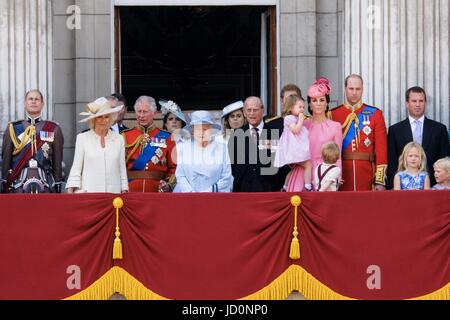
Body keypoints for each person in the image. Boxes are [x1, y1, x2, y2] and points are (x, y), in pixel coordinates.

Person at [331, 74, 388, 191]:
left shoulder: (375, 114)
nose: (354, 92)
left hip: (367, 173)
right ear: (345, 89)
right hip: (342, 174)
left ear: (362, 90)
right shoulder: (333, 114)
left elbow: (381, 149)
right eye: (351, 89)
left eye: (358, 89)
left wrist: (379, 180)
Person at [285, 78, 343, 191]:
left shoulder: (335, 126)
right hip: (302, 173)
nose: (318, 104)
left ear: (327, 104)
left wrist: (337, 176)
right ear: (310, 105)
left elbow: (338, 156)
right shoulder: (302, 125)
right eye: (314, 100)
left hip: (325, 174)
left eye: (322, 100)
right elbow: (291, 148)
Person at [1, 89, 64, 193]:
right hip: (18, 183)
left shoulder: (53, 128)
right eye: (30, 99)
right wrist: (4, 181)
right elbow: (6, 158)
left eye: (37, 99)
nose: (33, 101)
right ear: (25, 103)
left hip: (45, 183)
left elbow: (57, 160)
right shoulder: (13, 128)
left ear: (42, 104)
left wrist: (57, 183)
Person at [387, 86, 450, 188]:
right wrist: (392, 186)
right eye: (414, 101)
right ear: (407, 103)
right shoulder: (395, 130)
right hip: (403, 188)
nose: (417, 104)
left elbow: (445, 160)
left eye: (421, 101)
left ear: (425, 103)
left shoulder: (439, 129)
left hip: (435, 187)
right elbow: (392, 161)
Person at [66, 98, 128, 193]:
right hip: (89, 193)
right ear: (93, 119)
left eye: (106, 117)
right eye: (99, 117)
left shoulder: (118, 139)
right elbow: (76, 167)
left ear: (111, 118)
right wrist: (71, 187)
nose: (103, 120)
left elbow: (122, 168)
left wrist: (124, 189)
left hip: (113, 195)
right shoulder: (82, 138)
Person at [122, 96, 176, 192]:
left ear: (154, 113)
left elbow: (174, 167)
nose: (141, 115)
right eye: (139, 111)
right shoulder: (125, 136)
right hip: (130, 189)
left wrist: (168, 185)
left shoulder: (167, 137)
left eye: (145, 112)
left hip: (157, 190)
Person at [173, 111, 233, 192]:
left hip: (214, 198)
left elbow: (226, 176)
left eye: (205, 129)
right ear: (193, 130)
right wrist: (190, 192)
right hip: (187, 197)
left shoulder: (222, 148)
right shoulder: (185, 148)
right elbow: (180, 175)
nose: (201, 133)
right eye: (198, 129)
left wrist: (208, 192)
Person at [229, 96, 274, 192]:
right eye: (249, 110)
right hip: (243, 192)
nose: (252, 113)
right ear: (244, 113)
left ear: (263, 111)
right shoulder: (236, 135)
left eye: (255, 110)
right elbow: (233, 166)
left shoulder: (274, 133)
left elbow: (280, 162)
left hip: (269, 191)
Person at [274, 95, 312, 192]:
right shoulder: (289, 118)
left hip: (295, 149)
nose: (302, 109)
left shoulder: (294, 117)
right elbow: (296, 130)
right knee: (308, 165)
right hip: (293, 150)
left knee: (294, 168)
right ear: (291, 107)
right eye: (299, 107)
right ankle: (308, 186)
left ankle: (285, 186)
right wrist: (301, 120)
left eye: (303, 107)